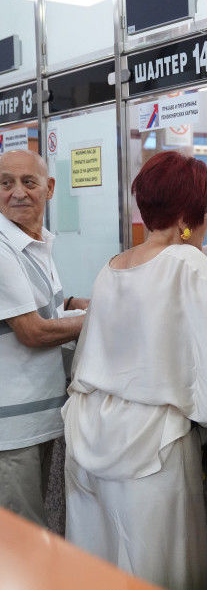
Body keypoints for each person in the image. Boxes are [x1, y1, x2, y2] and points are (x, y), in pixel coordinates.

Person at [62, 151, 207, 590]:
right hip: (149, 442)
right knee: (157, 565)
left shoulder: (113, 265)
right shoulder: (184, 261)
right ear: (186, 215)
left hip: (89, 428)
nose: (206, 226)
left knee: (95, 560)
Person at [0, 149, 87, 527]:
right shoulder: (2, 247)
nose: (17, 192)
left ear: (49, 189)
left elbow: (42, 307)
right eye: (5, 183)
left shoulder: (33, 242)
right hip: (12, 432)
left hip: (39, 419)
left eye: (28, 182)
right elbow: (33, 331)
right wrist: (103, 316)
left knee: (34, 536)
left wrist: (70, 303)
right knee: (20, 547)